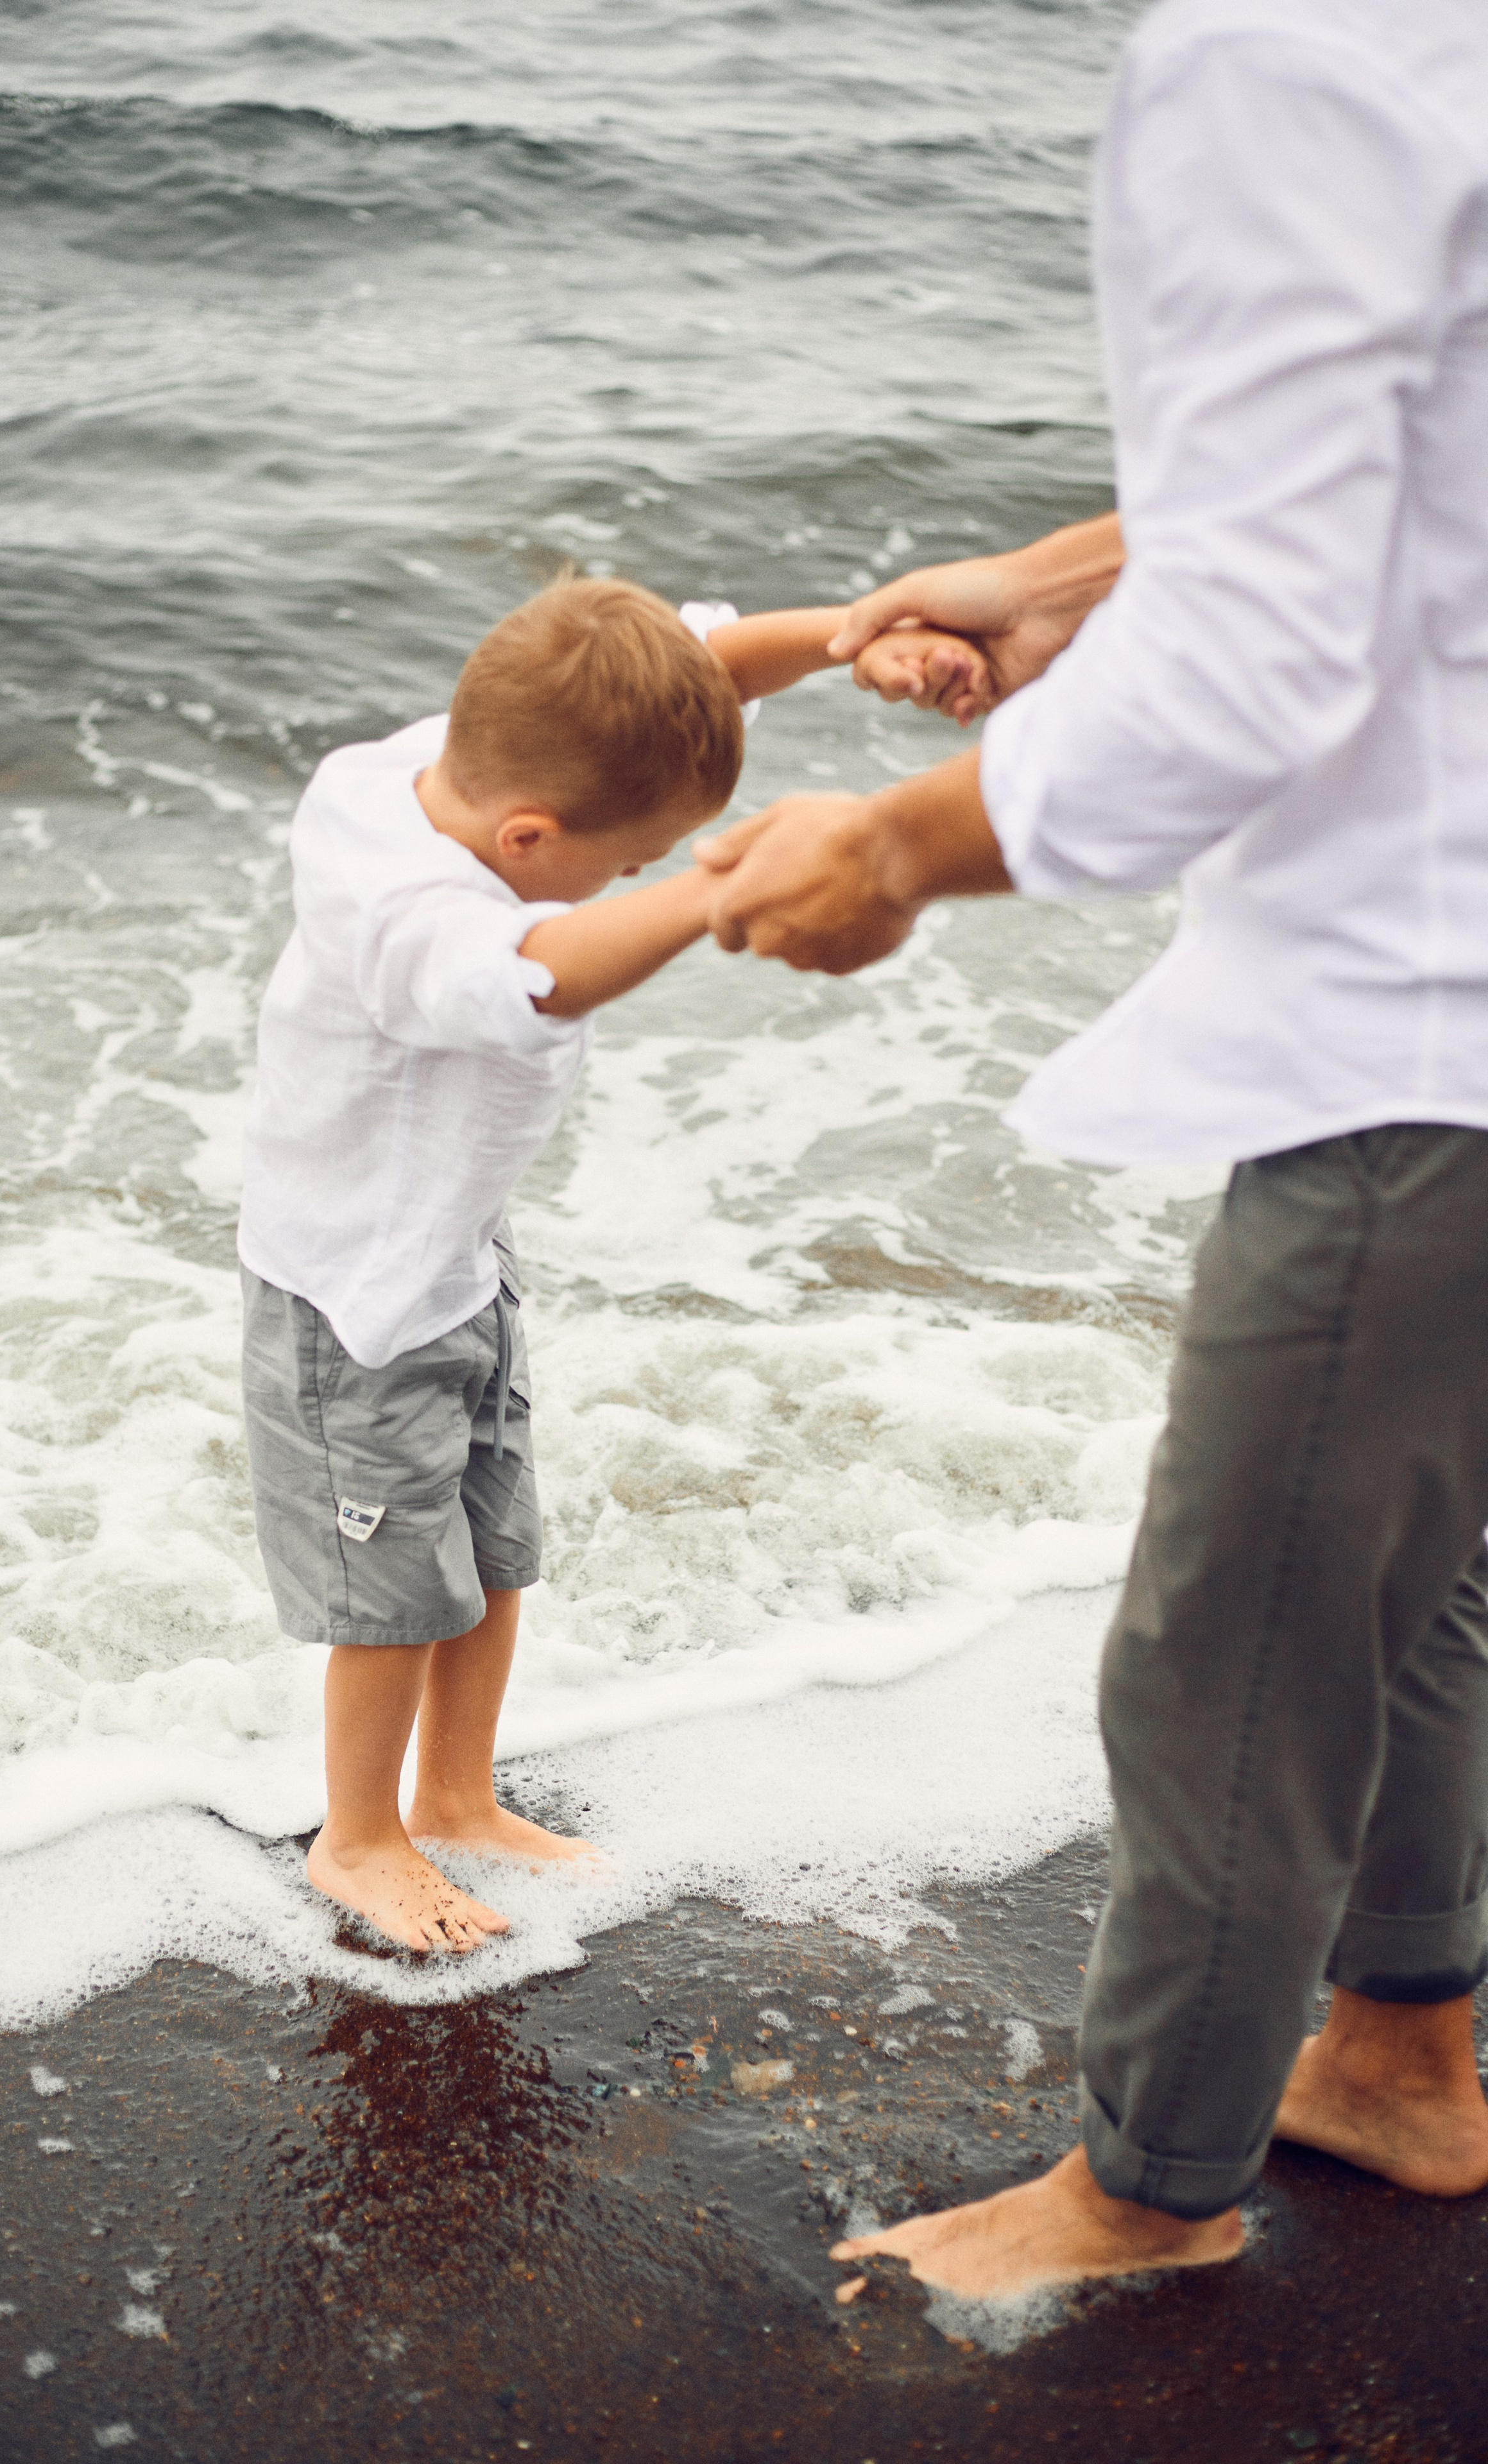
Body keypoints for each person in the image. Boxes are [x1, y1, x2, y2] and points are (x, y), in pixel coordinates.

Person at [699, 0, 1488, 2299]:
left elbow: (1261, 646)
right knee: (1414, 1581)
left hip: (1421, 1016)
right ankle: (1403, 2057)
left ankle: (1150, 2194)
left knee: (1237, 1646)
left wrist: (903, 849)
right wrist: (1065, 582)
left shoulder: (1287, 49)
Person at [238, 572, 964, 1955]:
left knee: (493, 1549)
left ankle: (456, 1798)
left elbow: (697, 667)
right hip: (354, 1305)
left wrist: (849, 636)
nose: (632, 880)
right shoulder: (398, 910)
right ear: (528, 836)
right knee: (392, 1598)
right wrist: (716, 890)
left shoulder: (446, 764)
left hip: (457, 1261)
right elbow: (544, 972)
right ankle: (359, 1837)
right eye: (627, 863)